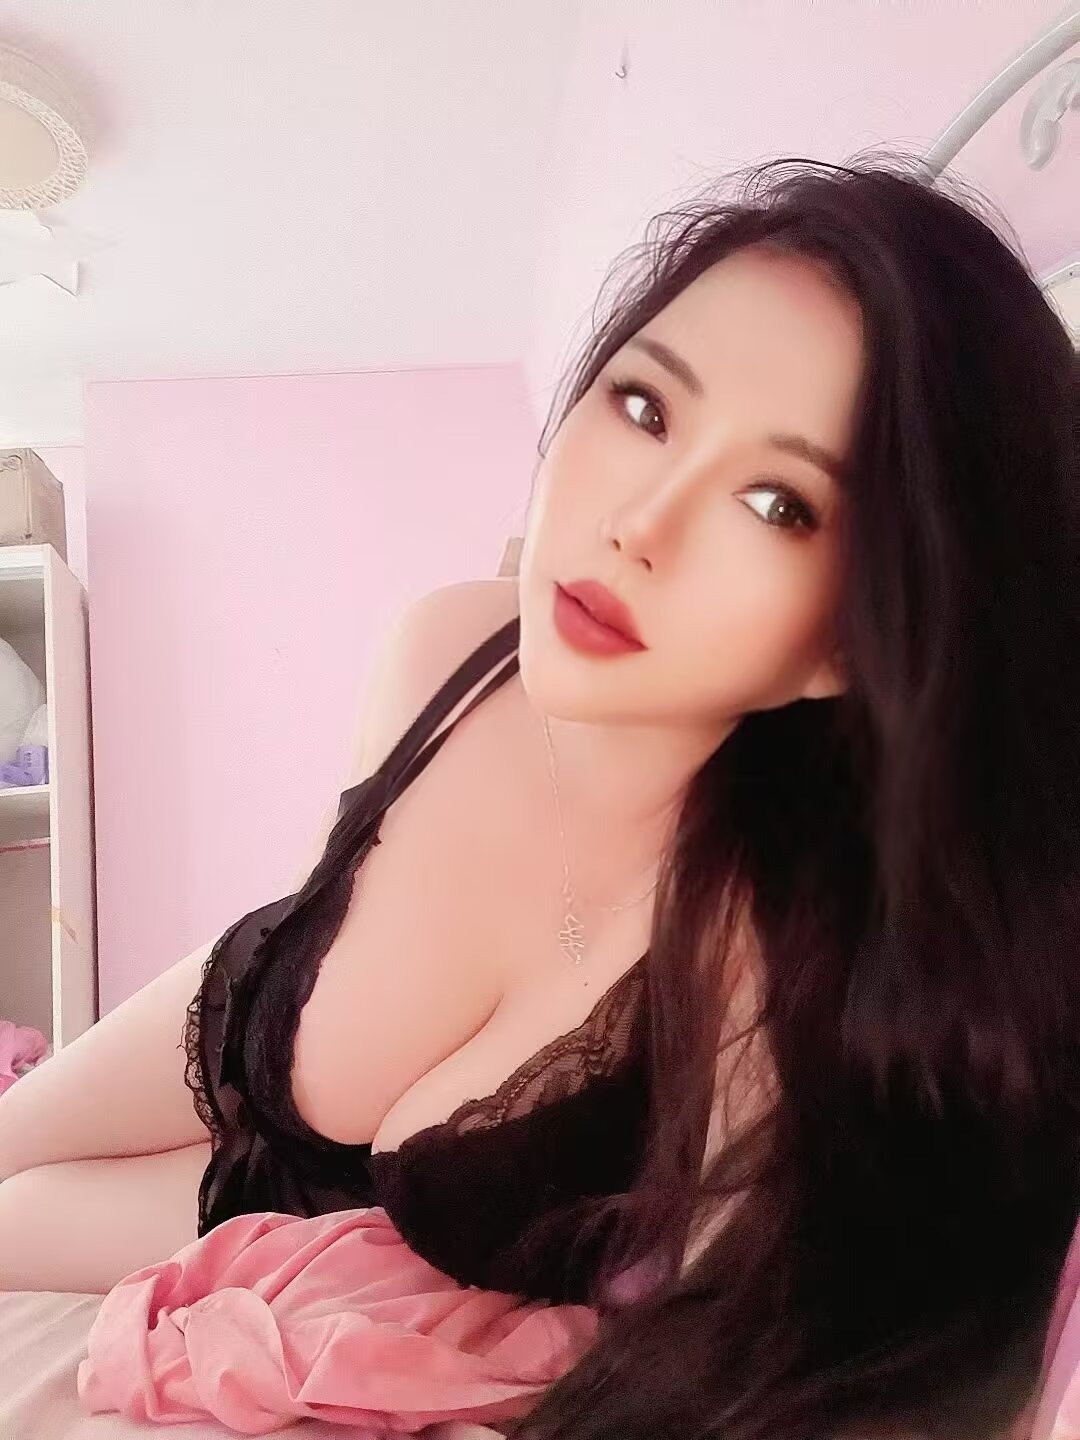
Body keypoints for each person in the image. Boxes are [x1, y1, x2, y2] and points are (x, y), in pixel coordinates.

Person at [0, 154, 1077, 1440]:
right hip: (244, 1014)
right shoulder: (448, 646)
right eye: (645, 404)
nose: (641, 523)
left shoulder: (765, 962)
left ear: (855, 639)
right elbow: (327, 902)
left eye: (777, 501)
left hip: (285, 1212)